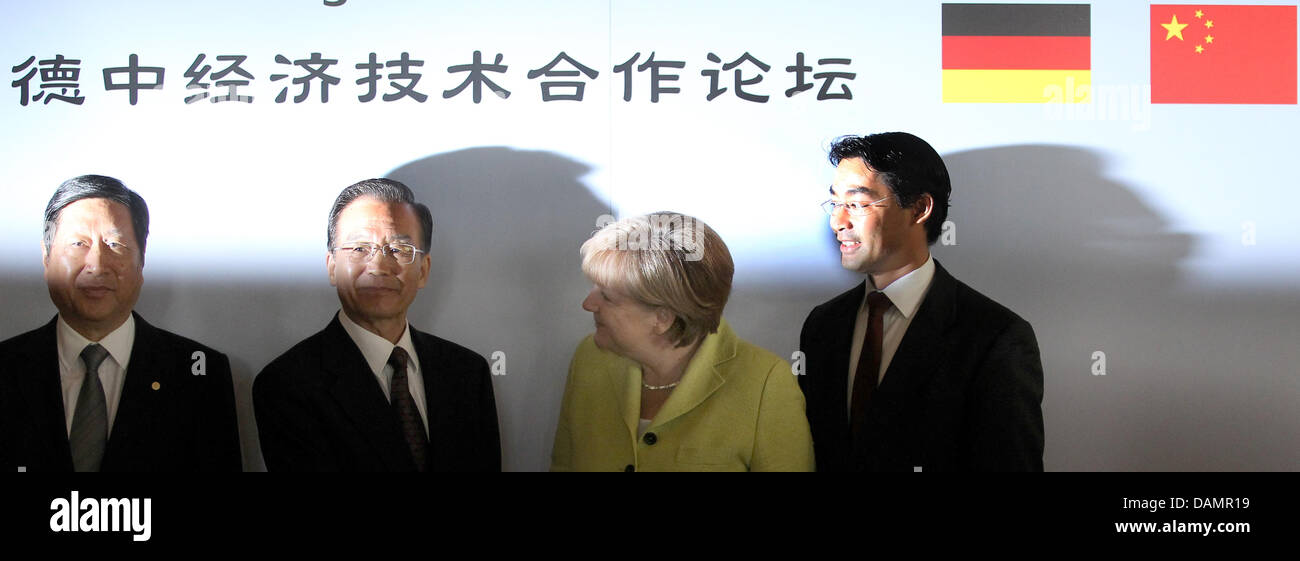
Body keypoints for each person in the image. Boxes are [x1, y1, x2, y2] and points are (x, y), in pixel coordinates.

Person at [799, 132, 1044, 471]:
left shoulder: (996, 338)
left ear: (919, 209)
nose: (838, 222)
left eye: (856, 204)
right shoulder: (823, 325)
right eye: (835, 203)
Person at [253, 178, 500, 471]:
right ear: (332, 266)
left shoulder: (468, 373)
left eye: (398, 249)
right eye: (359, 248)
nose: (379, 266)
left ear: (423, 270)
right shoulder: (287, 384)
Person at [0, 175, 241, 472]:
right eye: (78, 243)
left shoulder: (200, 376)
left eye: (115, 244)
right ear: (46, 257)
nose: (97, 265)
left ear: (142, 261)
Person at [552, 212, 813, 472]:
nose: (588, 304)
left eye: (607, 297)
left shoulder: (766, 383)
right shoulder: (590, 358)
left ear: (663, 317)